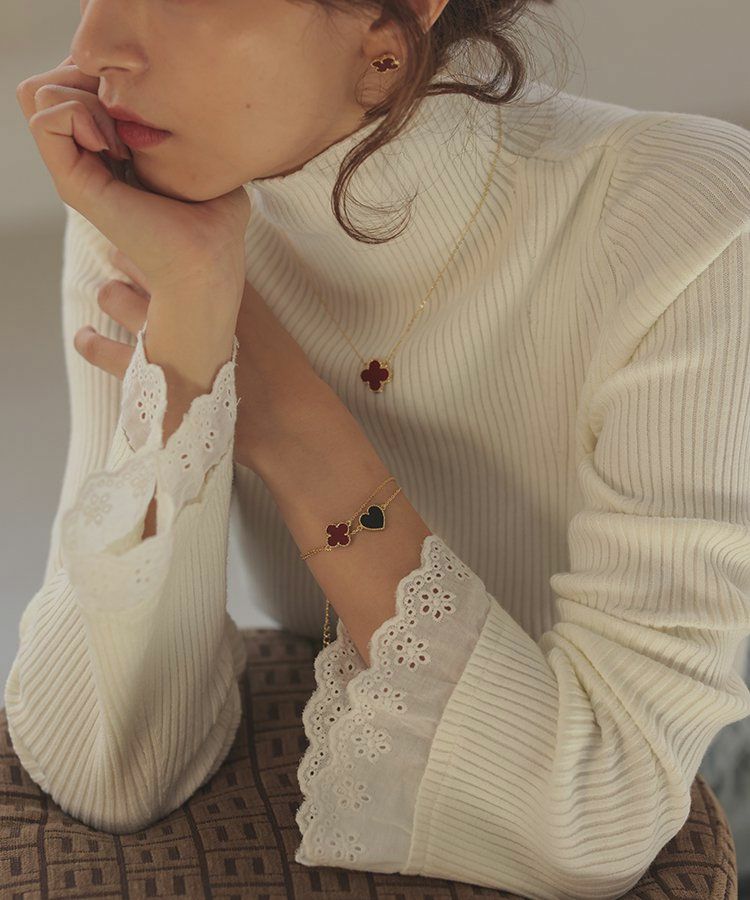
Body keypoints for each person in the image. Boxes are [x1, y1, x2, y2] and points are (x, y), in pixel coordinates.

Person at [7, 1, 750, 897]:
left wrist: (292, 429)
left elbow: (598, 819)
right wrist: (196, 301)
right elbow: (110, 768)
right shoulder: (149, 209)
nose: (94, 51)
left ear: (390, 26)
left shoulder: (691, 218)